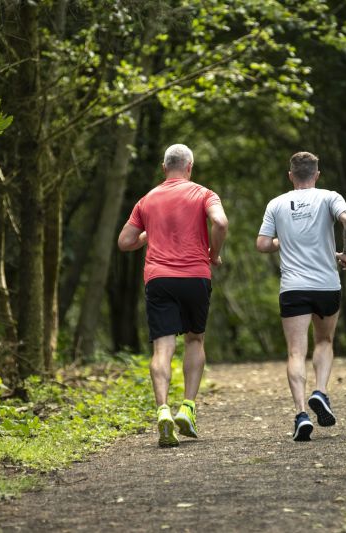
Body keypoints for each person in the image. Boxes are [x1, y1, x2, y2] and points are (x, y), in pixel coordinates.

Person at [117, 144, 228, 448]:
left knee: (162, 348)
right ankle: (187, 409)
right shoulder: (205, 194)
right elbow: (220, 222)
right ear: (190, 166)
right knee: (194, 339)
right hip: (195, 276)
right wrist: (213, 254)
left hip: (159, 279)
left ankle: (163, 409)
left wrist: (148, 233)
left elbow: (125, 242)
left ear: (164, 168)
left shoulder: (147, 199)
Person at [256, 151, 346, 441]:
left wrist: (283, 240)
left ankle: (301, 414)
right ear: (317, 175)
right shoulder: (329, 197)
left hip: (293, 287)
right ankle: (321, 392)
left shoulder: (276, 204)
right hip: (327, 284)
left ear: (290, 175)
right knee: (324, 341)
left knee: (295, 352)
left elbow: (262, 244)